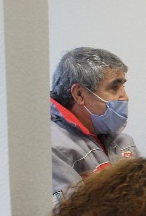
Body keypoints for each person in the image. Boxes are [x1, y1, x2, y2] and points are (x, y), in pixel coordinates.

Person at [50, 47, 139, 202]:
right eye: (114, 87)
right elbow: (73, 213)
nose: (125, 97)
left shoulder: (124, 142)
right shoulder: (56, 149)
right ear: (79, 94)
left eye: (123, 86)